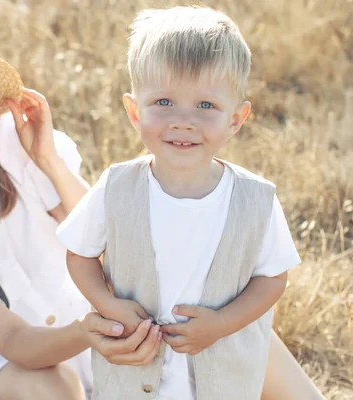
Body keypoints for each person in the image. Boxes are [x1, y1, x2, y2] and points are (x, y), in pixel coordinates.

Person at [0, 24, 325, 400]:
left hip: (92, 329)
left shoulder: (15, 146)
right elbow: (18, 344)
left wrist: (46, 158)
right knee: (50, 387)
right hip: (7, 363)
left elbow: (111, 238)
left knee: (232, 330)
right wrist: (96, 330)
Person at [57, 6, 322, 400]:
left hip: (220, 376)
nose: (183, 121)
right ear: (134, 111)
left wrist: (221, 323)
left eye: (205, 106)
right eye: (163, 102)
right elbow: (80, 255)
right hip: (133, 374)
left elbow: (272, 279)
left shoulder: (255, 199)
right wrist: (107, 303)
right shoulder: (116, 186)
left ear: (236, 119)